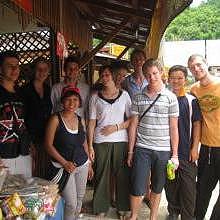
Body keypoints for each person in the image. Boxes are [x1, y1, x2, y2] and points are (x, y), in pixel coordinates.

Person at [127, 58, 179, 220]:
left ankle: (153, 217)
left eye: (155, 73)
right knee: (137, 186)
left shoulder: (170, 97)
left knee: (157, 186)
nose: (152, 77)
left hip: (163, 150)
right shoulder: (137, 97)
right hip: (142, 148)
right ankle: (134, 216)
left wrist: (175, 154)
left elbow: (173, 128)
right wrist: (130, 151)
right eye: (148, 75)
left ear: (161, 72)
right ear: (144, 75)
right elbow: (133, 125)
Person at [88, 65, 131, 218]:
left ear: (113, 76)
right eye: (102, 75)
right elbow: (91, 122)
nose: (104, 78)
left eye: (107, 75)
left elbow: (132, 119)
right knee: (101, 174)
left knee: (122, 174)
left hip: (120, 140)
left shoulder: (124, 95)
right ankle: (100, 206)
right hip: (100, 141)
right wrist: (90, 145)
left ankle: (123, 206)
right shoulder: (95, 97)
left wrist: (116, 127)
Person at [45, 86, 93, 220]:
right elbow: (48, 145)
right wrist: (64, 163)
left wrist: (89, 163)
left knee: (79, 199)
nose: (72, 103)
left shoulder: (80, 119)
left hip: (82, 164)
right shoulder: (55, 119)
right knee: (71, 203)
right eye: (68, 100)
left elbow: (84, 143)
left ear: (79, 102)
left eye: (75, 99)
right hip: (63, 167)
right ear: (62, 101)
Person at [165, 65, 202, 220]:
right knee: (170, 184)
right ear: (168, 79)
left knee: (188, 187)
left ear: (185, 80)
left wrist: (195, 148)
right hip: (167, 150)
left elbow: (197, 124)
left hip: (186, 152)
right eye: (173, 77)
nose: (176, 81)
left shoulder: (191, 100)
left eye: (180, 78)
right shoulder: (164, 98)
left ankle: (187, 216)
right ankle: (173, 211)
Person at [188, 54, 220, 220]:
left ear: (206, 64)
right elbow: (194, 120)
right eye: (192, 67)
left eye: (199, 65)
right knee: (202, 189)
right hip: (207, 148)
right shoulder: (194, 90)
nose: (196, 69)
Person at [0, 51, 31, 177]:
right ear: (0, 68)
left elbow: (26, 122)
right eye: (9, 66)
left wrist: (30, 146)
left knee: (25, 193)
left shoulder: (22, 93)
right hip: (3, 156)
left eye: (17, 66)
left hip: (23, 152)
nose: (14, 69)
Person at [21, 57, 52, 178]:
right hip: (31, 138)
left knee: (44, 171)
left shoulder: (48, 89)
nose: (42, 72)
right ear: (34, 70)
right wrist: (29, 142)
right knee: (33, 172)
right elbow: (22, 118)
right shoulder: (25, 90)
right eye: (39, 69)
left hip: (46, 137)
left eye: (45, 69)